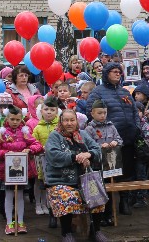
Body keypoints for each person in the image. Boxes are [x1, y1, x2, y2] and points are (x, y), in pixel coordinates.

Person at [44, 109, 106, 242]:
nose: (69, 123)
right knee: (66, 196)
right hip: (60, 180)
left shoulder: (83, 134)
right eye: (66, 120)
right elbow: (53, 155)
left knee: (98, 195)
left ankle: (96, 231)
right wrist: (75, 157)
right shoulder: (55, 136)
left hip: (83, 180)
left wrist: (89, 155)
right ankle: (66, 233)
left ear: (76, 121)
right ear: (61, 121)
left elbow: (97, 150)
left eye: (72, 120)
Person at [87, 62, 140, 216]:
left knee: (127, 172)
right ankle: (109, 208)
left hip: (127, 139)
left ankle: (124, 201)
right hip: (108, 141)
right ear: (106, 74)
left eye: (119, 71)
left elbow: (135, 112)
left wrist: (136, 128)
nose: (118, 74)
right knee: (109, 172)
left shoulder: (125, 92)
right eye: (114, 71)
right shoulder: (97, 92)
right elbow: (91, 112)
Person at [0, 105, 43, 235]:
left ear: (21, 119)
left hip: (21, 171)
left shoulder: (25, 132)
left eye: (17, 120)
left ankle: (20, 221)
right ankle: (9, 222)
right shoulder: (1, 133)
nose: (14, 122)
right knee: (8, 196)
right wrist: (7, 153)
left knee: (19, 196)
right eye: (12, 119)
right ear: (7, 118)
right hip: (7, 171)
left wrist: (30, 150)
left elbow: (37, 145)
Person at [84, 99, 122, 226]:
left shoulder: (111, 126)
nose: (102, 115)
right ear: (92, 113)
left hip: (110, 165)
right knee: (98, 192)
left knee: (110, 191)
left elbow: (119, 139)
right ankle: (98, 218)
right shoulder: (89, 129)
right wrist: (100, 146)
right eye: (99, 113)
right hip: (96, 165)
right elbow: (87, 146)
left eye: (104, 113)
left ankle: (109, 215)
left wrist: (116, 142)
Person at [32, 96, 60, 222]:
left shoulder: (59, 126)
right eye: (46, 109)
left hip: (56, 160)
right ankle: (39, 204)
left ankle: (50, 205)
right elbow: (33, 142)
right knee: (40, 183)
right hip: (41, 160)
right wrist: (39, 148)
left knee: (53, 183)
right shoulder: (38, 127)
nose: (49, 112)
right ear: (41, 111)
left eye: (52, 110)